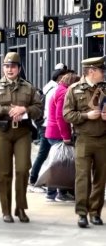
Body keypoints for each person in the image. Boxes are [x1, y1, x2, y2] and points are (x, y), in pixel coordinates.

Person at [0, 52, 42, 223]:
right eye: (6, 66)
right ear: (3, 68)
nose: (10, 69)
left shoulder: (28, 87)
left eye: (13, 66)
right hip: (2, 132)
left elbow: (39, 108)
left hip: (23, 132)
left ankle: (20, 208)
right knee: (4, 172)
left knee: (23, 169)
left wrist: (24, 110)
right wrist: (8, 110)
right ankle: (6, 210)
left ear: (19, 68)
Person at [63, 56, 106, 228]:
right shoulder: (74, 90)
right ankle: (82, 213)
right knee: (82, 178)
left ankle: (95, 212)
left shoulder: (104, 89)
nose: (103, 73)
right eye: (101, 70)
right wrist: (86, 116)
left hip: (103, 139)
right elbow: (67, 114)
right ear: (91, 71)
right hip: (83, 140)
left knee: (101, 179)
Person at [28, 63, 69, 194]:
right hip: (48, 125)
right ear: (60, 76)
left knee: (44, 155)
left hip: (44, 124)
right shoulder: (55, 89)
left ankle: (34, 179)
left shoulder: (49, 86)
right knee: (55, 157)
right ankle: (53, 189)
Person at [45, 72, 80, 201]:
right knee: (58, 164)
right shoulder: (64, 93)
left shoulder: (59, 89)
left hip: (52, 131)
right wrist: (66, 136)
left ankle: (59, 192)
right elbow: (61, 116)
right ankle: (53, 193)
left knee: (59, 162)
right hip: (58, 133)